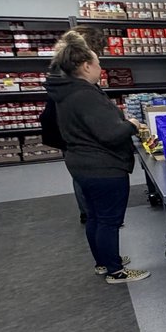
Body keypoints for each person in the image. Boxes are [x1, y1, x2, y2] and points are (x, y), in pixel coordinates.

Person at [44, 31, 151, 284]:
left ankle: (103, 261)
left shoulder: (66, 91)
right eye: (98, 63)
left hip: (81, 163)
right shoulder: (85, 94)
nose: (101, 68)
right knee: (109, 220)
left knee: (94, 216)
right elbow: (111, 133)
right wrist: (132, 124)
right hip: (103, 167)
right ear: (85, 66)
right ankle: (116, 271)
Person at [41, 24, 106, 224]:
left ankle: (91, 214)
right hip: (72, 133)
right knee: (84, 174)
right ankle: (93, 215)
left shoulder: (62, 68)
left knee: (80, 174)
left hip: (67, 131)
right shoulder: (74, 76)